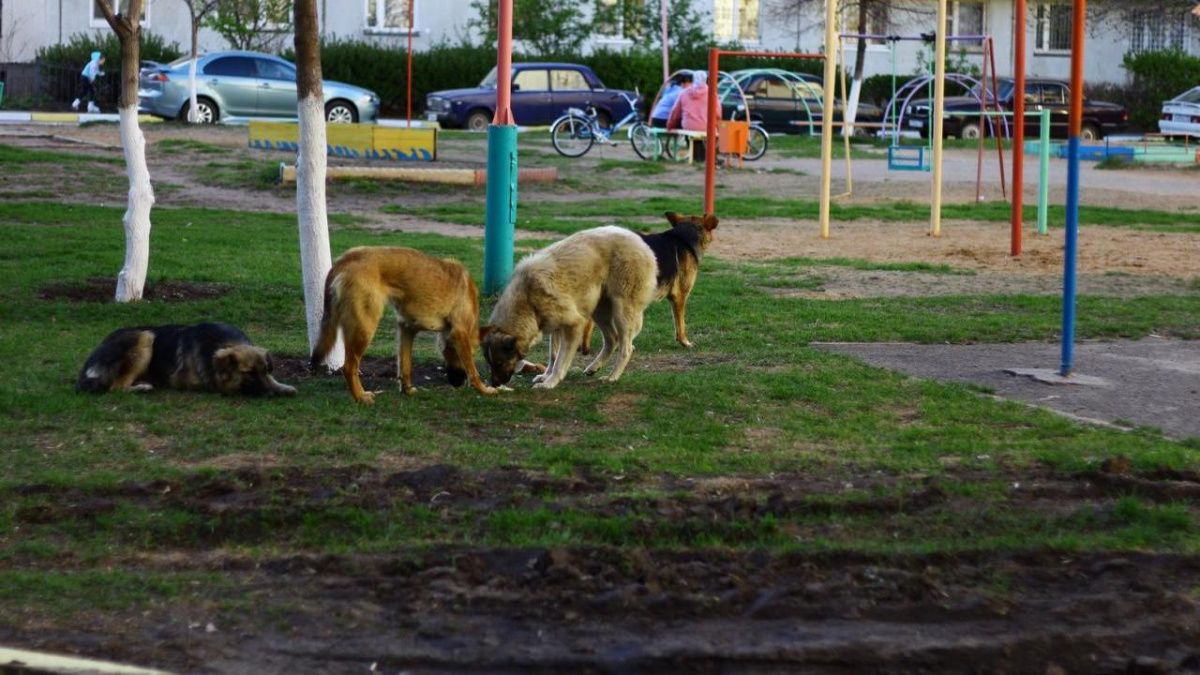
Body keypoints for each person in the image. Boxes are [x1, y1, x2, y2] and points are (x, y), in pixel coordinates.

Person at [667, 69, 709, 162]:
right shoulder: (712, 93)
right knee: (707, 130)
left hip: (688, 125)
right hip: (706, 126)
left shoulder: (684, 92)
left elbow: (675, 112)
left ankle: (695, 155)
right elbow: (717, 113)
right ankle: (704, 156)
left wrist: (670, 125)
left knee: (689, 128)